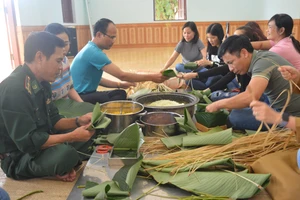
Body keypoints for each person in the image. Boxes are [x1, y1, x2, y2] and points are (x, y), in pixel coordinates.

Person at [0, 32, 96, 182]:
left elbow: (54, 120)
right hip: (19, 156)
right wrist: (72, 136)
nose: (61, 67)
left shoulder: (42, 82)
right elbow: (28, 142)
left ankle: (60, 161)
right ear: (40, 57)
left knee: (90, 135)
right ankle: (61, 161)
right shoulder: (15, 89)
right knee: (66, 155)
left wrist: (78, 121)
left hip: (43, 143)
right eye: (58, 61)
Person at [206, 35, 300, 131]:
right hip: (274, 103)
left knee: (235, 117)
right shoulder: (261, 57)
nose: (231, 69)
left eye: (231, 62)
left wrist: (218, 105)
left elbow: (250, 96)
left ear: (244, 53)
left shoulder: (262, 63)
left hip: (289, 116)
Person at [71, 18, 168, 104]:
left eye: (115, 37)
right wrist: (152, 77)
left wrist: (119, 85)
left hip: (85, 93)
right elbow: (122, 75)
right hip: (79, 96)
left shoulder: (90, 49)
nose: (113, 41)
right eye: (111, 37)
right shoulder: (94, 53)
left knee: (120, 93)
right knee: (120, 99)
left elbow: (97, 80)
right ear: (99, 34)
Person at [179, 25, 262, 100]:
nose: (210, 40)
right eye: (208, 38)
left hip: (225, 80)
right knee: (182, 68)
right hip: (221, 77)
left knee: (217, 94)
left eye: (213, 37)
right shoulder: (236, 62)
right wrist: (197, 75)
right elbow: (227, 70)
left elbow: (224, 71)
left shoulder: (255, 64)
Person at [250, 65, 300, 130]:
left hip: (293, 117)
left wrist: (277, 118)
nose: (232, 68)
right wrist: (297, 78)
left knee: (236, 116)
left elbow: (249, 96)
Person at [44, 23, 83, 102]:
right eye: (58, 44)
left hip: (68, 105)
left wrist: (83, 105)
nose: (63, 48)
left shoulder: (65, 60)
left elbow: (70, 88)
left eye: (66, 44)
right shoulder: (44, 68)